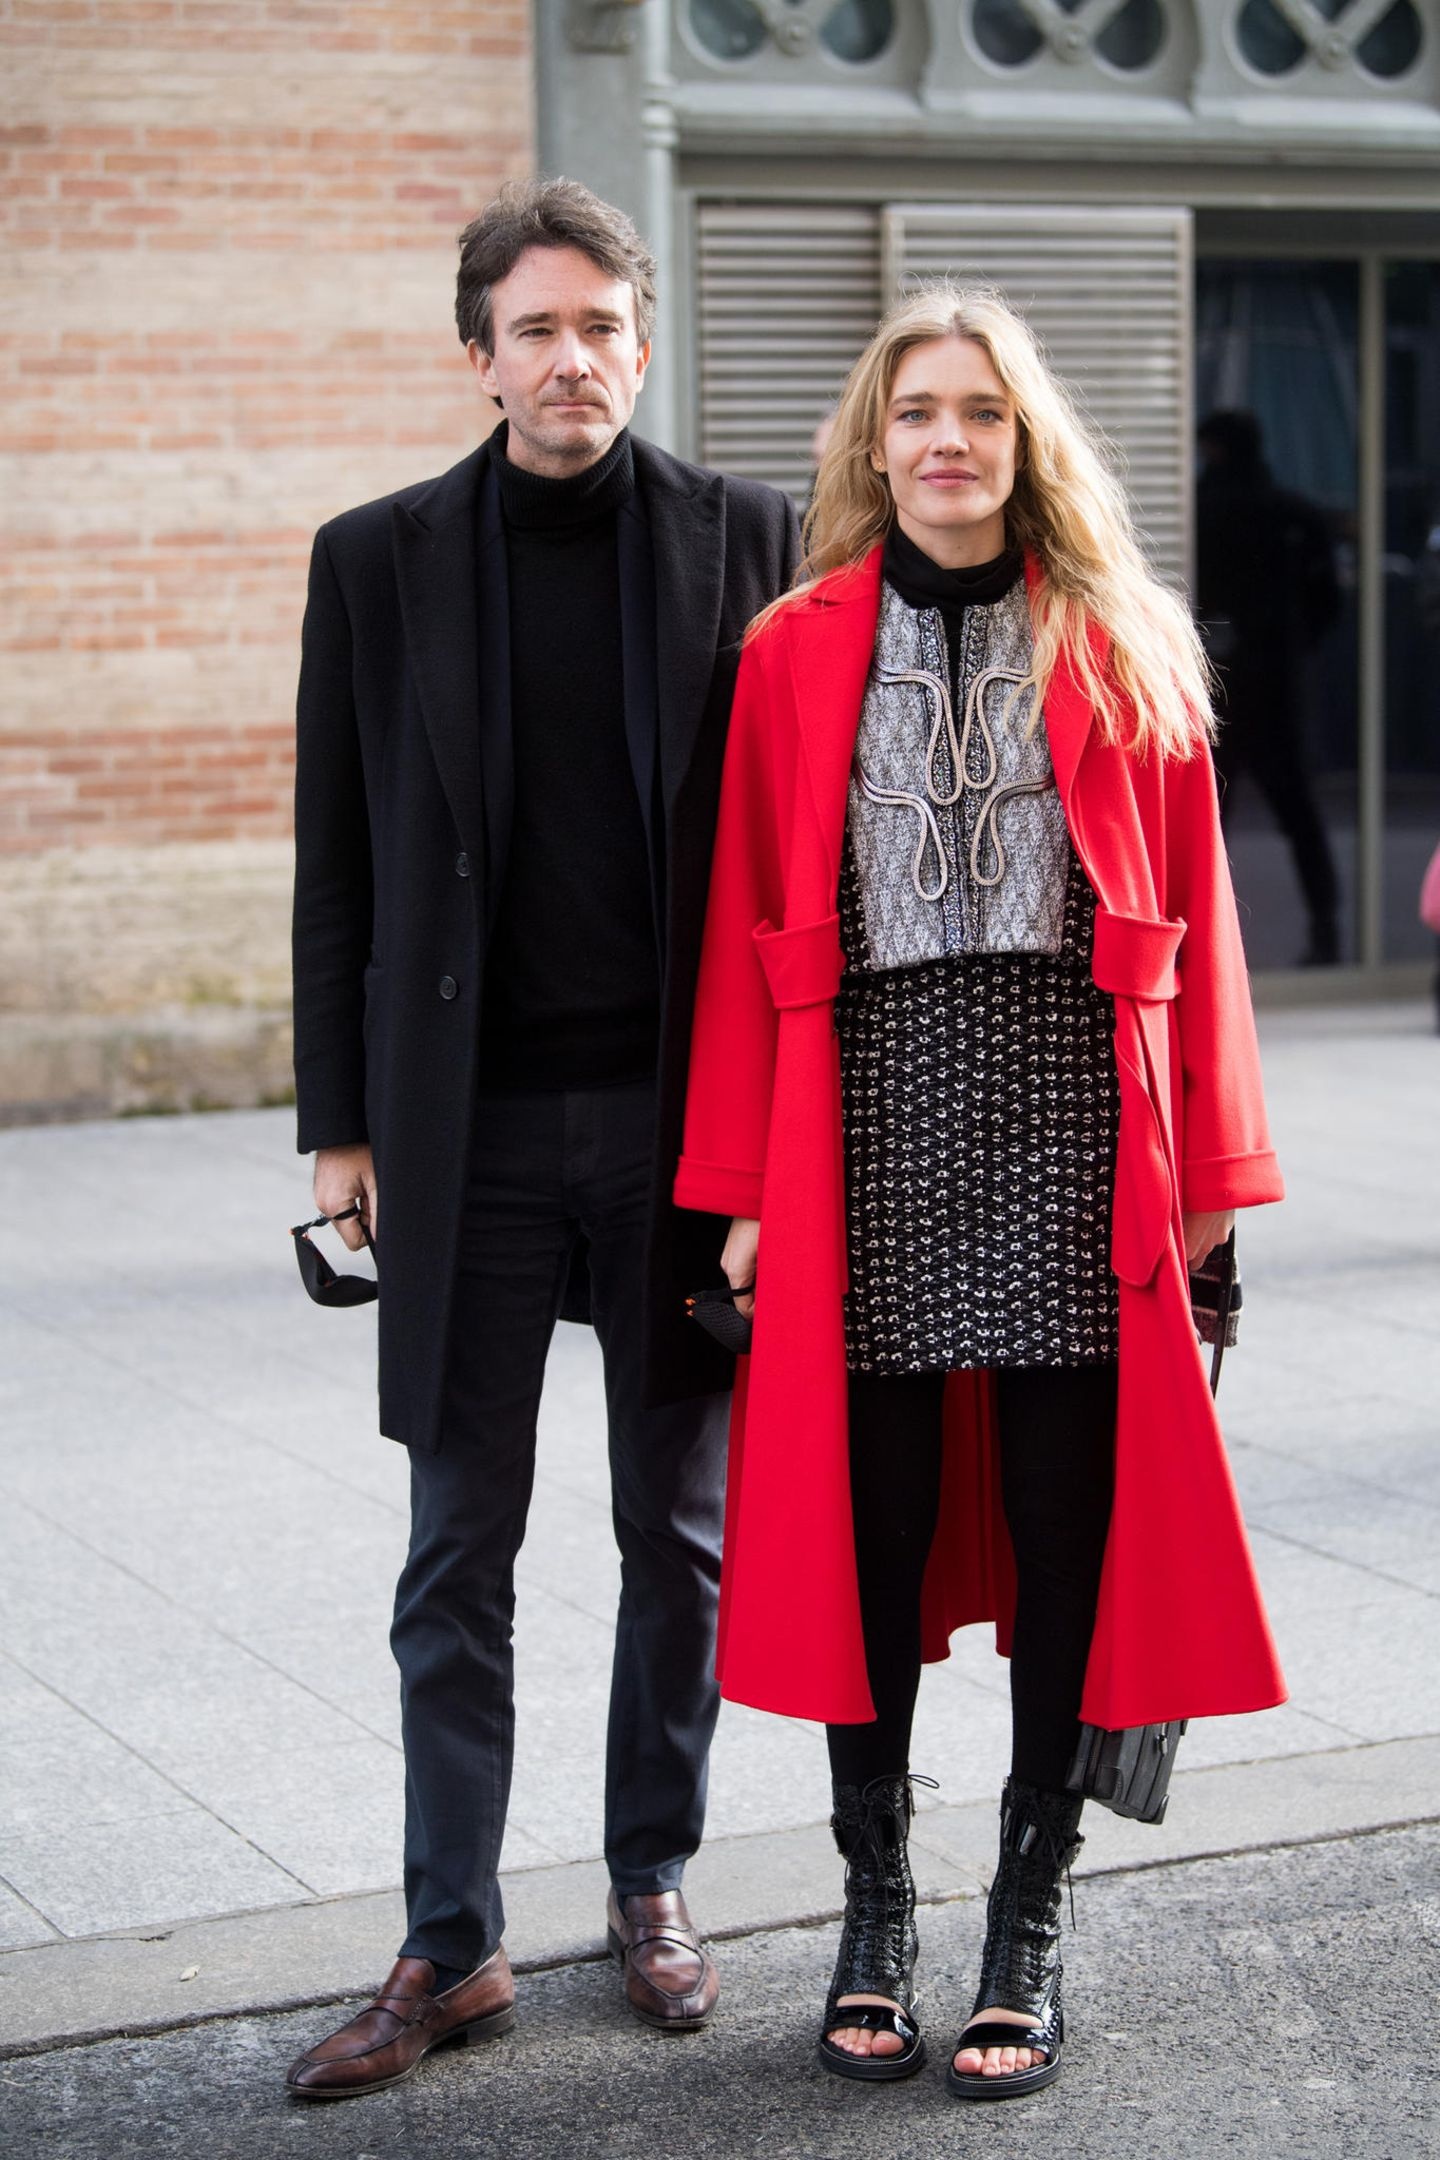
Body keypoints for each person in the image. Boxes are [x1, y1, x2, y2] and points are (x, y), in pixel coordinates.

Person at [675, 284, 1286, 2101]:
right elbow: (742, 926)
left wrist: (1214, 1186)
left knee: (1067, 1531)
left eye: (985, 414)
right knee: (860, 1537)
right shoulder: (789, 650)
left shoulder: (1123, 639)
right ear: (876, 445)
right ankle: (876, 1902)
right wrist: (738, 1188)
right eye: (918, 412)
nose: (949, 440)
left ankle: (1030, 1911)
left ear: (1030, 444)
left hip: (1082, 1126)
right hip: (856, 1124)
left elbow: (1207, 923)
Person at [285, 177, 799, 2100]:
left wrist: (778, 1147)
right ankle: (452, 1936)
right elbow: (336, 857)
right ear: (478, 355)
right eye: (535, 329)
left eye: (601, 324)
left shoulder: (753, 540)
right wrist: (339, 1126)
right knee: (454, 1543)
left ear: (641, 341)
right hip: (467, 1130)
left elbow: (790, 864)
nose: (571, 357)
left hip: (683, 1140)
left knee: (679, 1533)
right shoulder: (378, 559)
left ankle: (652, 1877)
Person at [1195, 408, 1343, 965]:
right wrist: (1291, 645)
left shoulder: (1199, 512)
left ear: (1212, 450)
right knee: (1298, 813)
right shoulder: (1294, 515)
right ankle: (1327, 928)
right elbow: (1328, 602)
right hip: (1277, 682)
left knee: (1206, 823)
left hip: (1216, 685)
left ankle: (1204, 950)